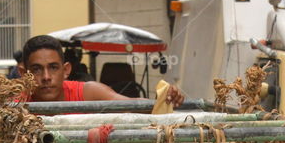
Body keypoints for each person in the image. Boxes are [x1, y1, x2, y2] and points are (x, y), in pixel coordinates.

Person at [18, 35, 184, 105]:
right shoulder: (13, 103)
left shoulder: (88, 93)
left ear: (66, 70)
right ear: (23, 74)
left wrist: (163, 98)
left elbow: (130, 105)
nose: (46, 77)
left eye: (53, 68)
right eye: (37, 70)